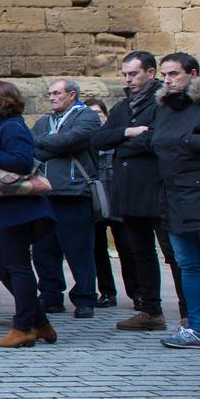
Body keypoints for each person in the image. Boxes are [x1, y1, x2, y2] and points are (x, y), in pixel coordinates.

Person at [91, 51, 182, 331]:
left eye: (133, 74)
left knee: (173, 253)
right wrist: (127, 134)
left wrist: (123, 143)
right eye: (125, 75)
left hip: (157, 188)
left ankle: (190, 312)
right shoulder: (121, 107)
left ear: (151, 73)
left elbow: (157, 140)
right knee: (139, 251)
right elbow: (98, 139)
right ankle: (150, 310)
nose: (128, 80)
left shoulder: (164, 102)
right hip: (128, 191)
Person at [0, 82, 58, 349]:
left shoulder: (12, 127)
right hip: (1, 209)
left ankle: (22, 328)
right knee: (3, 266)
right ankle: (39, 323)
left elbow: (23, 162)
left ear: (2, 101)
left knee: (16, 267)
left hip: (15, 210)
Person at [150, 53, 200, 348]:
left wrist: (187, 140)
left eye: (174, 74)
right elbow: (156, 141)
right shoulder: (162, 108)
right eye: (164, 75)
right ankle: (199, 327)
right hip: (173, 195)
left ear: (193, 73)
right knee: (188, 263)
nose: (168, 80)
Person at [31, 78, 101, 319]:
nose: (51, 97)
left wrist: (51, 143)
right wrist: (56, 145)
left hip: (74, 193)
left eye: (56, 93)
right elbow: (33, 149)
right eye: (49, 93)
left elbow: (72, 140)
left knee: (78, 250)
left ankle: (85, 298)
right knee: (44, 250)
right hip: (45, 194)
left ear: (71, 95)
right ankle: (50, 296)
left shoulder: (87, 117)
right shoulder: (43, 122)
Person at [83, 97, 123, 308]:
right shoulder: (87, 140)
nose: (95, 118)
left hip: (118, 197)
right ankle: (107, 292)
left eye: (98, 114)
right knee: (98, 248)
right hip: (97, 198)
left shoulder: (114, 138)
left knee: (127, 247)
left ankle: (139, 293)